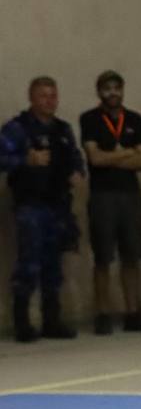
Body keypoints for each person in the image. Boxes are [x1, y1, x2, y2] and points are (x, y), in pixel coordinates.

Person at [1, 77, 84, 342]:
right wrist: (26, 159)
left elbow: (75, 158)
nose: (49, 101)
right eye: (43, 96)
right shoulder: (18, 128)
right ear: (32, 98)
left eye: (53, 95)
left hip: (58, 205)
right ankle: (22, 322)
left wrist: (77, 172)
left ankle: (52, 320)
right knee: (29, 263)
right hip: (31, 205)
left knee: (53, 265)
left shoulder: (63, 129)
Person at [78, 71, 141, 335]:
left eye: (117, 88)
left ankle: (133, 312)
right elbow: (95, 159)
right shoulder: (90, 119)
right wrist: (127, 152)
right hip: (102, 195)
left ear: (122, 90)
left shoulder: (135, 119)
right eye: (107, 88)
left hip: (130, 195)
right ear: (99, 92)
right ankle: (102, 314)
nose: (112, 93)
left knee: (131, 256)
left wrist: (112, 156)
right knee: (103, 257)